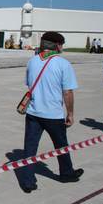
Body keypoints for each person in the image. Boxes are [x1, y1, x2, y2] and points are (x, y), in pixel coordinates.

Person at [19, 31, 84, 193]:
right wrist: (70, 113)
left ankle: (28, 182)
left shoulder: (32, 61)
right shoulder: (63, 64)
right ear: (57, 45)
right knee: (61, 145)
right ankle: (66, 174)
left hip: (33, 113)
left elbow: (29, 84)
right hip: (53, 115)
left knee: (30, 148)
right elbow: (67, 92)